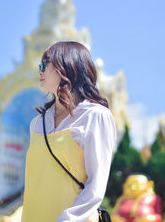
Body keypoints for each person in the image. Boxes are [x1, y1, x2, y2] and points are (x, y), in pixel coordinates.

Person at [21, 41, 116, 222]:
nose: (39, 71)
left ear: (67, 65)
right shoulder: (36, 124)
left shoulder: (95, 116)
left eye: (44, 64)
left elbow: (96, 184)